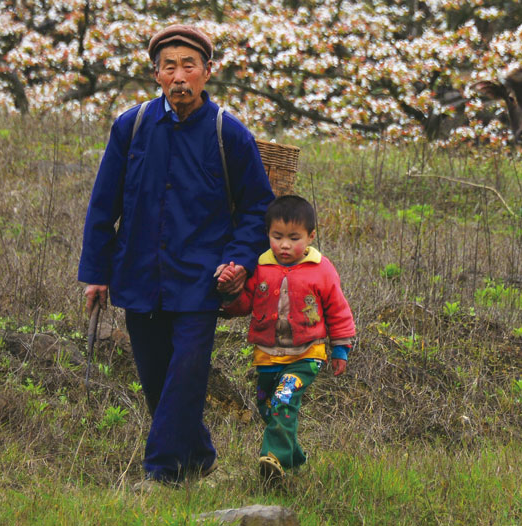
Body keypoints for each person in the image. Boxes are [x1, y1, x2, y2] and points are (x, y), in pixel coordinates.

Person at [78, 24, 275, 487]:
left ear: (209, 72)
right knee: (156, 378)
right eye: (170, 66)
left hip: (201, 279)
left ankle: (160, 473)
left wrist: (240, 260)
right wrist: (97, 274)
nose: (180, 75)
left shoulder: (230, 133)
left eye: (190, 65)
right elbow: (104, 203)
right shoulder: (133, 125)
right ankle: (200, 457)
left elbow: (257, 210)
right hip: (139, 272)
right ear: (156, 74)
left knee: (186, 371)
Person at [217, 194, 355, 484]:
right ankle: (294, 456)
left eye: (294, 238)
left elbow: (337, 308)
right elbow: (245, 304)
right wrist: (230, 293)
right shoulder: (260, 266)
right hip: (266, 354)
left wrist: (340, 348)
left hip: (307, 353)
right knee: (267, 408)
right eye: (277, 236)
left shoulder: (321, 269)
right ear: (267, 234)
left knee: (284, 400)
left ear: (311, 236)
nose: (284, 245)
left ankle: (273, 458)